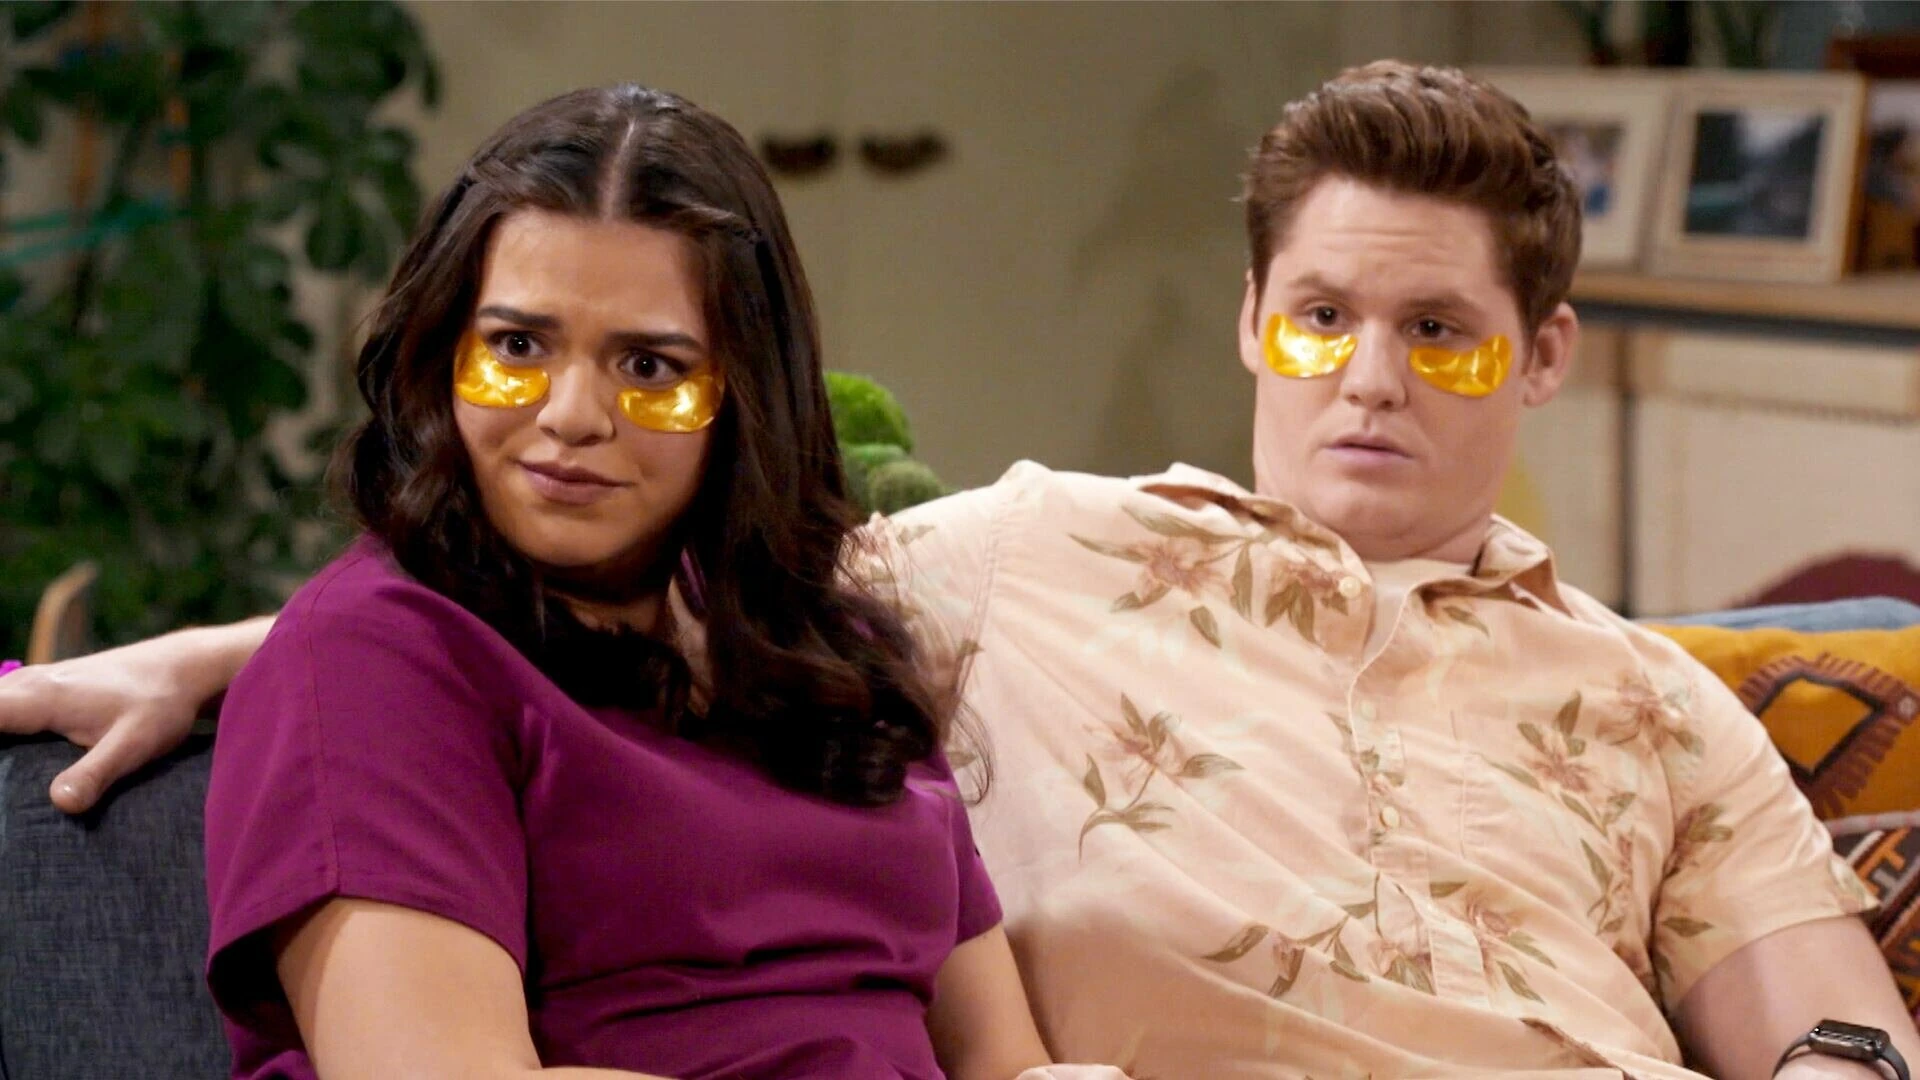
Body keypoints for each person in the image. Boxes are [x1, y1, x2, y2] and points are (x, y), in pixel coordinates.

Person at [4, 62, 1914, 1079]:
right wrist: (223, 652)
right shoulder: (1019, 557)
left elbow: (1833, 1027)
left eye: (1444, 335)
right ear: (1251, 320)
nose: (1373, 380)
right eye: (1323, 318)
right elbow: (598, 567)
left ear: (1545, 355)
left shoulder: (1652, 698)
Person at [135, 83, 1108, 1080]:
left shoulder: (828, 650)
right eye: (517, 346)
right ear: (440, 353)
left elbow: (1002, 1060)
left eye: (649, 366)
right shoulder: (372, 657)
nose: (571, 415)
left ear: (747, 395)